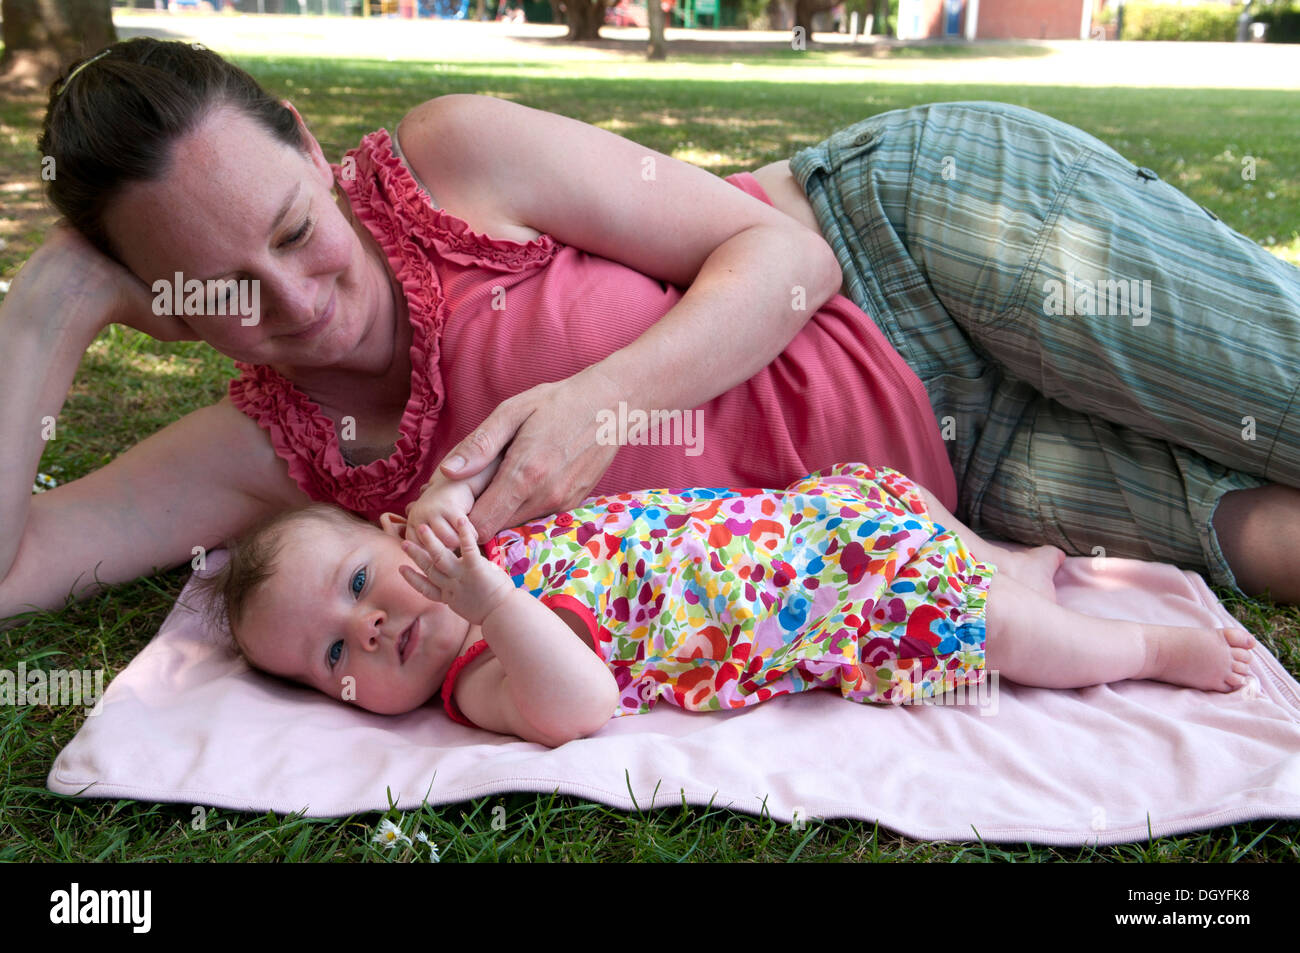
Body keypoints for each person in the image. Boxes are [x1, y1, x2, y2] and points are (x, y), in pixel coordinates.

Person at [3, 39, 1299, 632]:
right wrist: (48, 307)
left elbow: (790, 256)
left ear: (309, 144)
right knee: (1278, 545)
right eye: (218, 290)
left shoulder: (456, 160)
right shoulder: (264, 450)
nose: (292, 305)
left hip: (925, 254)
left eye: (294, 230)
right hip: (957, 482)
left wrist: (600, 407)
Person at [188, 460, 1256, 747]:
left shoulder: (475, 542)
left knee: (916, 507)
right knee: (1007, 636)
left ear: (395, 537)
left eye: (360, 586)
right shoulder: (482, 680)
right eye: (336, 656)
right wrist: (489, 597)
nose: (368, 629)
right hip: (842, 604)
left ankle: (1010, 557)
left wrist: (458, 525)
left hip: (812, 522)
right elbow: (580, 702)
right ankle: (1144, 648)